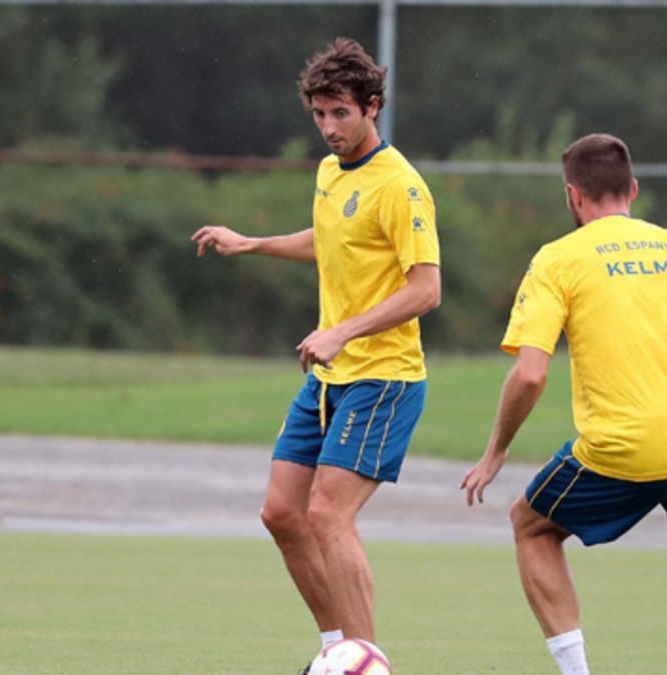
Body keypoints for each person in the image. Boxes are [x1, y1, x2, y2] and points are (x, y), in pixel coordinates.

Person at [461, 133, 667, 675]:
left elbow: (529, 374)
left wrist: (496, 449)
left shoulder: (558, 259)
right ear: (633, 190)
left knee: (531, 524)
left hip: (626, 448)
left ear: (572, 196)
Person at [190, 38, 440, 669]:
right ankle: (337, 652)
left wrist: (342, 331)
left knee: (328, 513)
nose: (329, 128)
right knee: (282, 513)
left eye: (341, 114)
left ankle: (367, 663)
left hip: (383, 378)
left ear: (372, 107)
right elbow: (330, 241)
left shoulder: (402, 187)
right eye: (319, 115)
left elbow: (426, 289)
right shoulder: (330, 173)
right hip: (332, 377)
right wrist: (251, 244)